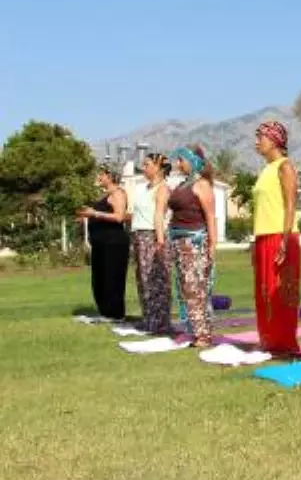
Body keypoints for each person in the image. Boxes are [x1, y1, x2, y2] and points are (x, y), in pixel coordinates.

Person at [251, 121, 301, 355]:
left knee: (280, 292)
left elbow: (291, 205)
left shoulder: (285, 167)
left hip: (281, 236)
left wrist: (284, 239)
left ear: (273, 140)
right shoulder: (265, 169)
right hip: (263, 236)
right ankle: (269, 340)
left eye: (260, 137)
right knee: (263, 291)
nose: (256, 142)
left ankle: (285, 343)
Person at [167, 145, 217, 346]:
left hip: (194, 243)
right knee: (186, 288)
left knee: (195, 288)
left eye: (181, 160)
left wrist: (212, 246)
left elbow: (211, 216)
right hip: (179, 243)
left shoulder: (201, 185)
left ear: (193, 161)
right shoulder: (183, 184)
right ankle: (197, 330)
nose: (178, 164)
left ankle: (203, 334)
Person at [78, 164, 130, 321]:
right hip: (101, 243)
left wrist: (95, 213)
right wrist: (88, 215)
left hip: (113, 242)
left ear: (110, 176)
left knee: (112, 277)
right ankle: (105, 311)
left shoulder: (118, 194)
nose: (98, 177)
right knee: (100, 278)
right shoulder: (105, 195)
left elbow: (119, 216)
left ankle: (114, 313)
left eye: (101, 175)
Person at [129, 153, 171, 334]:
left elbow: (159, 215)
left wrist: (160, 241)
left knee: (155, 280)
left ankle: (159, 322)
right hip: (139, 236)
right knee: (143, 280)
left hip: (152, 235)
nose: (143, 168)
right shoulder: (145, 188)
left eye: (147, 164)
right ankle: (148, 318)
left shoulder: (162, 189)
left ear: (157, 167)